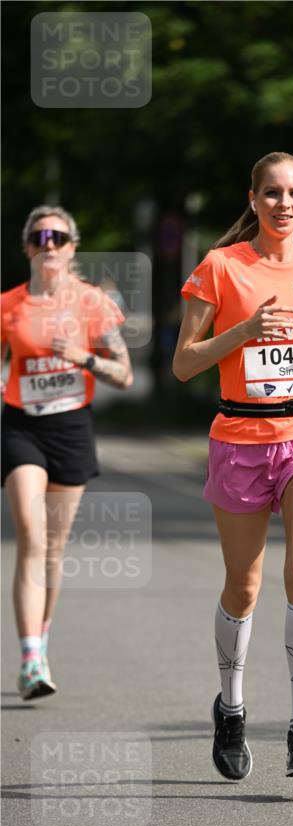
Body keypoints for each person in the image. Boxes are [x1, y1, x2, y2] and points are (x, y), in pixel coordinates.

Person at [173, 151, 293, 780]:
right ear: (253, 199)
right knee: (244, 586)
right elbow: (184, 363)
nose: (286, 204)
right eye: (273, 193)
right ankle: (230, 708)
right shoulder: (220, 267)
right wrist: (246, 331)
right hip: (239, 436)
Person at [1, 205, 133, 700]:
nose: (49, 244)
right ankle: (30, 657)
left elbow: (124, 374)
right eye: (39, 237)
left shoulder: (93, 304)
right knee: (31, 536)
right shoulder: (8, 305)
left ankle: (43, 641)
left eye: (58, 236)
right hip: (20, 428)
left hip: (72, 428)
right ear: (28, 248)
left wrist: (82, 357)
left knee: (54, 548)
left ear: (72, 246)